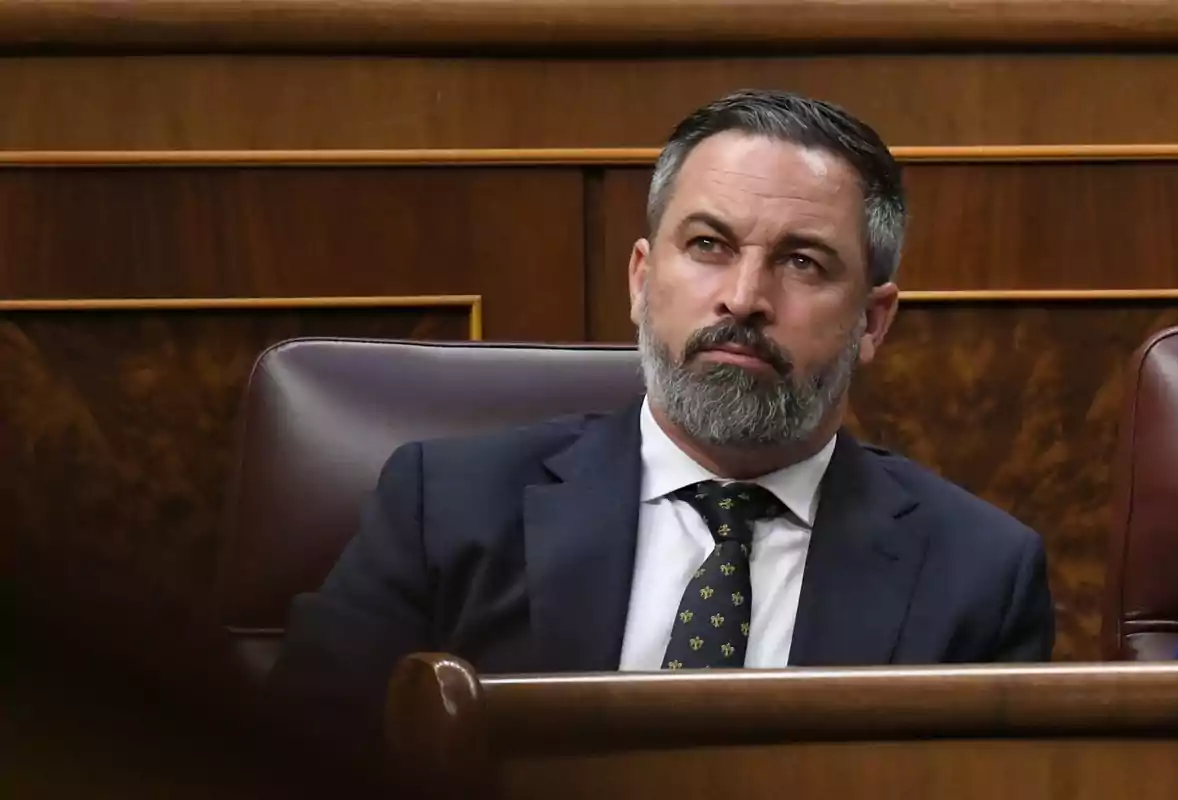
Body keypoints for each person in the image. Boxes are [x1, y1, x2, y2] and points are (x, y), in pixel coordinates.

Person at [271, 89, 1055, 743]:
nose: (745, 297)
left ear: (874, 322)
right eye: (709, 244)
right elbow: (290, 764)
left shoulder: (978, 576)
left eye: (802, 262)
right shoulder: (442, 507)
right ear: (643, 281)